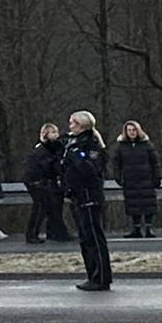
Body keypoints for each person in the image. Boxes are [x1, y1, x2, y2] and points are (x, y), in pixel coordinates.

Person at [61, 111, 111, 290]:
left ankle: (102, 278)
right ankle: (92, 275)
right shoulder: (72, 144)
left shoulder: (91, 145)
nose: (70, 126)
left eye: (72, 123)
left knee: (94, 237)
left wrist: (77, 156)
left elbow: (90, 170)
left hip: (90, 195)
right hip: (77, 195)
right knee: (85, 238)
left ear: (81, 125)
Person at [112, 120, 162, 237]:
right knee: (133, 204)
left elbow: (155, 162)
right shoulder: (121, 147)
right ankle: (136, 229)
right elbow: (116, 164)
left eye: (134, 130)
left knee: (148, 203)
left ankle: (149, 228)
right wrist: (118, 177)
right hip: (130, 180)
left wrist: (157, 177)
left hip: (146, 178)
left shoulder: (147, 145)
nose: (132, 132)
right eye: (129, 130)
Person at [23, 122, 71, 243]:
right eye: (53, 132)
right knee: (40, 208)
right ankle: (32, 234)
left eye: (56, 132)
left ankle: (55, 233)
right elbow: (45, 166)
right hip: (37, 182)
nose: (56, 135)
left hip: (47, 181)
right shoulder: (41, 149)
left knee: (53, 207)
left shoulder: (53, 148)